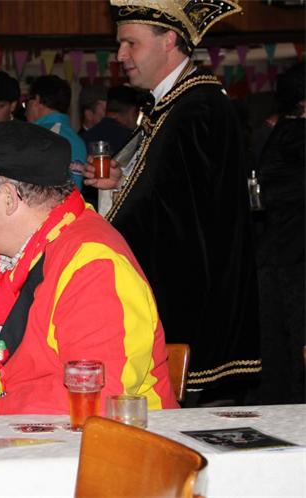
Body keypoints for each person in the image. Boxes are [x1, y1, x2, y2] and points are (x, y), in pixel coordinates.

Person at [86, 0, 259, 403]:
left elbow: (167, 213)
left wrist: (89, 238)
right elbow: (169, 194)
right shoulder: (175, 105)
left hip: (193, 301)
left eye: (131, 43)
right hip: (184, 290)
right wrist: (118, 184)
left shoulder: (195, 108)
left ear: (169, 40)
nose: (120, 55)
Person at [0, 120, 177, 415]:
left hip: (119, 440)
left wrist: (1, 404)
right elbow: (16, 339)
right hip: (41, 436)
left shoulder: (94, 268)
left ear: (7, 197)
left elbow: (95, 391)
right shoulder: (23, 251)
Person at [254, 62, 304, 404]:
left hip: (277, 252)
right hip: (294, 256)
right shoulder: (296, 135)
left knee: (280, 345)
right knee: (295, 343)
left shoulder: (282, 132)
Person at [26, 75, 87, 165]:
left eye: (27, 101)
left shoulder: (37, 136)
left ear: (37, 100)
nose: (25, 112)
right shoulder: (78, 141)